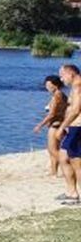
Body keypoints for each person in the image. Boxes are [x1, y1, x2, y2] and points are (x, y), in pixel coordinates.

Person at [55, 65, 81, 205]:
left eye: (62, 75)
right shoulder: (75, 86)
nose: (61, 79)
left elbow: (76, 110)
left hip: (78, 127)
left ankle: (76, 195)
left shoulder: (78, 85)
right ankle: (71, 192)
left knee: (77, 163)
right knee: (63, 157)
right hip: (74, 127)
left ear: (70, 73)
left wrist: (61, 127)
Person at [35, 75, 69, 178]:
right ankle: (54, 171)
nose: (47, 87)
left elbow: (52, 114)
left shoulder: (57, 96)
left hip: (55, 125)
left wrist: (40, 125)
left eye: (49, 85)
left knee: (53, 150)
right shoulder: (61, 95)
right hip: (58, 124)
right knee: (54, 150)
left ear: (55, 85)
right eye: (46, 85)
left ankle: (69, 166)